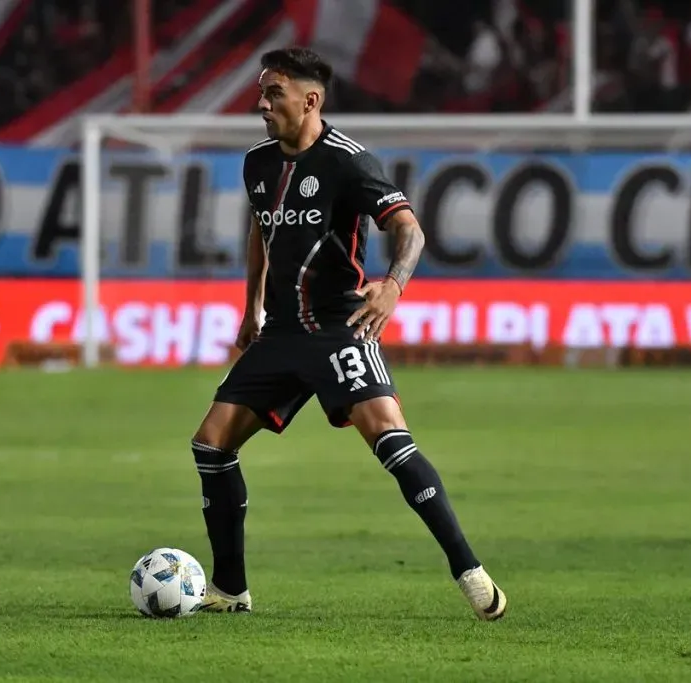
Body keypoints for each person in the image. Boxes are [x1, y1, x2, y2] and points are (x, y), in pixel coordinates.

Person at [190, 47, 507, 621]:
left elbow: (409, 231)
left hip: (339, 327)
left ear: (310, 100)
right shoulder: (256, 163)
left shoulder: (349, 162)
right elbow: (262, 230)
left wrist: (392, 285)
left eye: (273, 94)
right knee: (211, 445)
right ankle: (230, 590)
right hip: (282, 332)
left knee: (390, 439)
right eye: (262, 94)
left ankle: (469, 570)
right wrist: (251, 305)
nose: (261, 105)